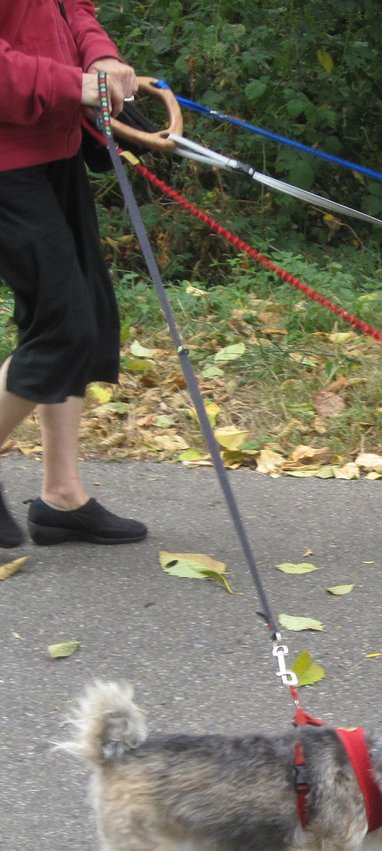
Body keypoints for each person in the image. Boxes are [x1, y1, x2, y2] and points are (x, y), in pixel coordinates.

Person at [0, 0, 146, 548]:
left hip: (55, 145)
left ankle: (61, 495)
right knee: (65, 327)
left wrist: (102, 58)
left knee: (87, 319)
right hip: (5, 161)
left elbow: (71, 7)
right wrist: (72, 85)